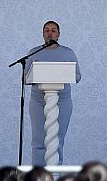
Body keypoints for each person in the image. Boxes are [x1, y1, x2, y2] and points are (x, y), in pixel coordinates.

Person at [25, 21, 82, 166]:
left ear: (59, 34)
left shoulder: (68, 53)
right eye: (47, 30)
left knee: (57, 138)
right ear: (43, 34)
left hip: (62, 100)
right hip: (38, 101)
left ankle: (55, 174)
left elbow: (77, 76)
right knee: (38, 139)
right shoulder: (34, 52)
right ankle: (37, 176)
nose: (50, 33)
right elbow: (26, 77)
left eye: (53, 30)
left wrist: (61, 74)